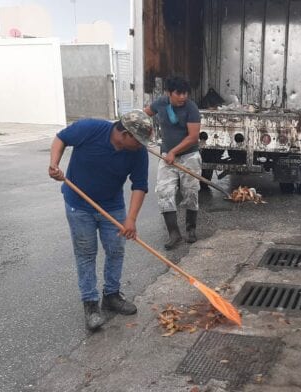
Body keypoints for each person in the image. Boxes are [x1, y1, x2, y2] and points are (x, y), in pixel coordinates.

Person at [48, 111, 151, 331]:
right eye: (138, 140)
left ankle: (111, 296)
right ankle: (91, 304)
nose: (141, 145)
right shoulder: (90, 129)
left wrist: (131, 219)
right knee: (86, 254)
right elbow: (61, 138)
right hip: (79, 205)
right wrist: (54, 164)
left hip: (112, 206)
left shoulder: (137, 152)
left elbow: (140, 185)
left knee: (116, 250)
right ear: (124, 133)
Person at [143, 76, 202, 250]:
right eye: (178, 93)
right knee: (164, 192)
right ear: (169, 93)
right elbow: (144, 114)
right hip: (166, 156)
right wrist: (147, 128)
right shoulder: (160, 103)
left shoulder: (191, 108)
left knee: (190, 193)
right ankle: (174, 234)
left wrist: (174, 152)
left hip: (189, 157)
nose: (183, 97)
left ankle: (191, 229)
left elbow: (193, 137)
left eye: (185, 93)